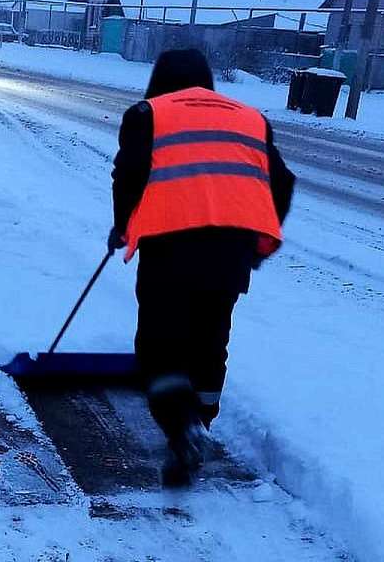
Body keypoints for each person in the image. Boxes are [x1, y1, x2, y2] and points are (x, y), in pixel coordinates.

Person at [108, 49, 295, 485]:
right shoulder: (250, 118)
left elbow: (128, 176)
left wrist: (121, 226)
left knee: (159, 344)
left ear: (158, 79)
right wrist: (257, 239)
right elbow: (282, 182)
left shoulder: (146, 114)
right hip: (230, 253)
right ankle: (201, 421)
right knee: (211, 340)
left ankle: (180, 428)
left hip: (169, 248)